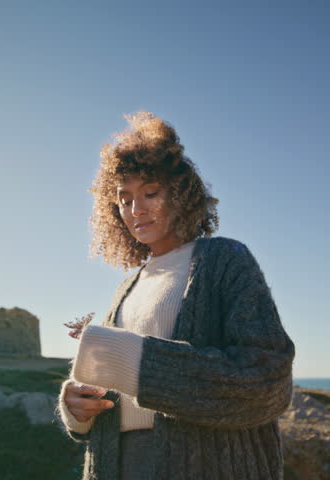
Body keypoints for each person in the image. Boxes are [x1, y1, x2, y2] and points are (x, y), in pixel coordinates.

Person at [57, 111, 295, 479]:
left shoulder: (224, 260)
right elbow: (120, 391)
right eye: (124, 199)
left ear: (180, 195)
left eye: (150, 192)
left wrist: (137, 363)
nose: (136, 209)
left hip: (206, 465)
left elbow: (267, 381)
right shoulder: (128, 286)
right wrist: (78, 410)